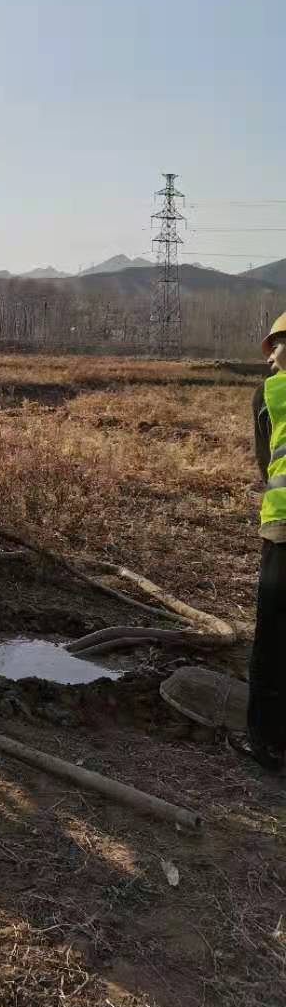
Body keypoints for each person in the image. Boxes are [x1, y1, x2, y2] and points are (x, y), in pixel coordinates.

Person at [233, 312, 286, 772]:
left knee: (273, 638)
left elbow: (265, 460)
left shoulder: (270, 393)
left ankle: (267, 744)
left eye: (275, 348)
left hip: (283, 526)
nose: (270, 358)